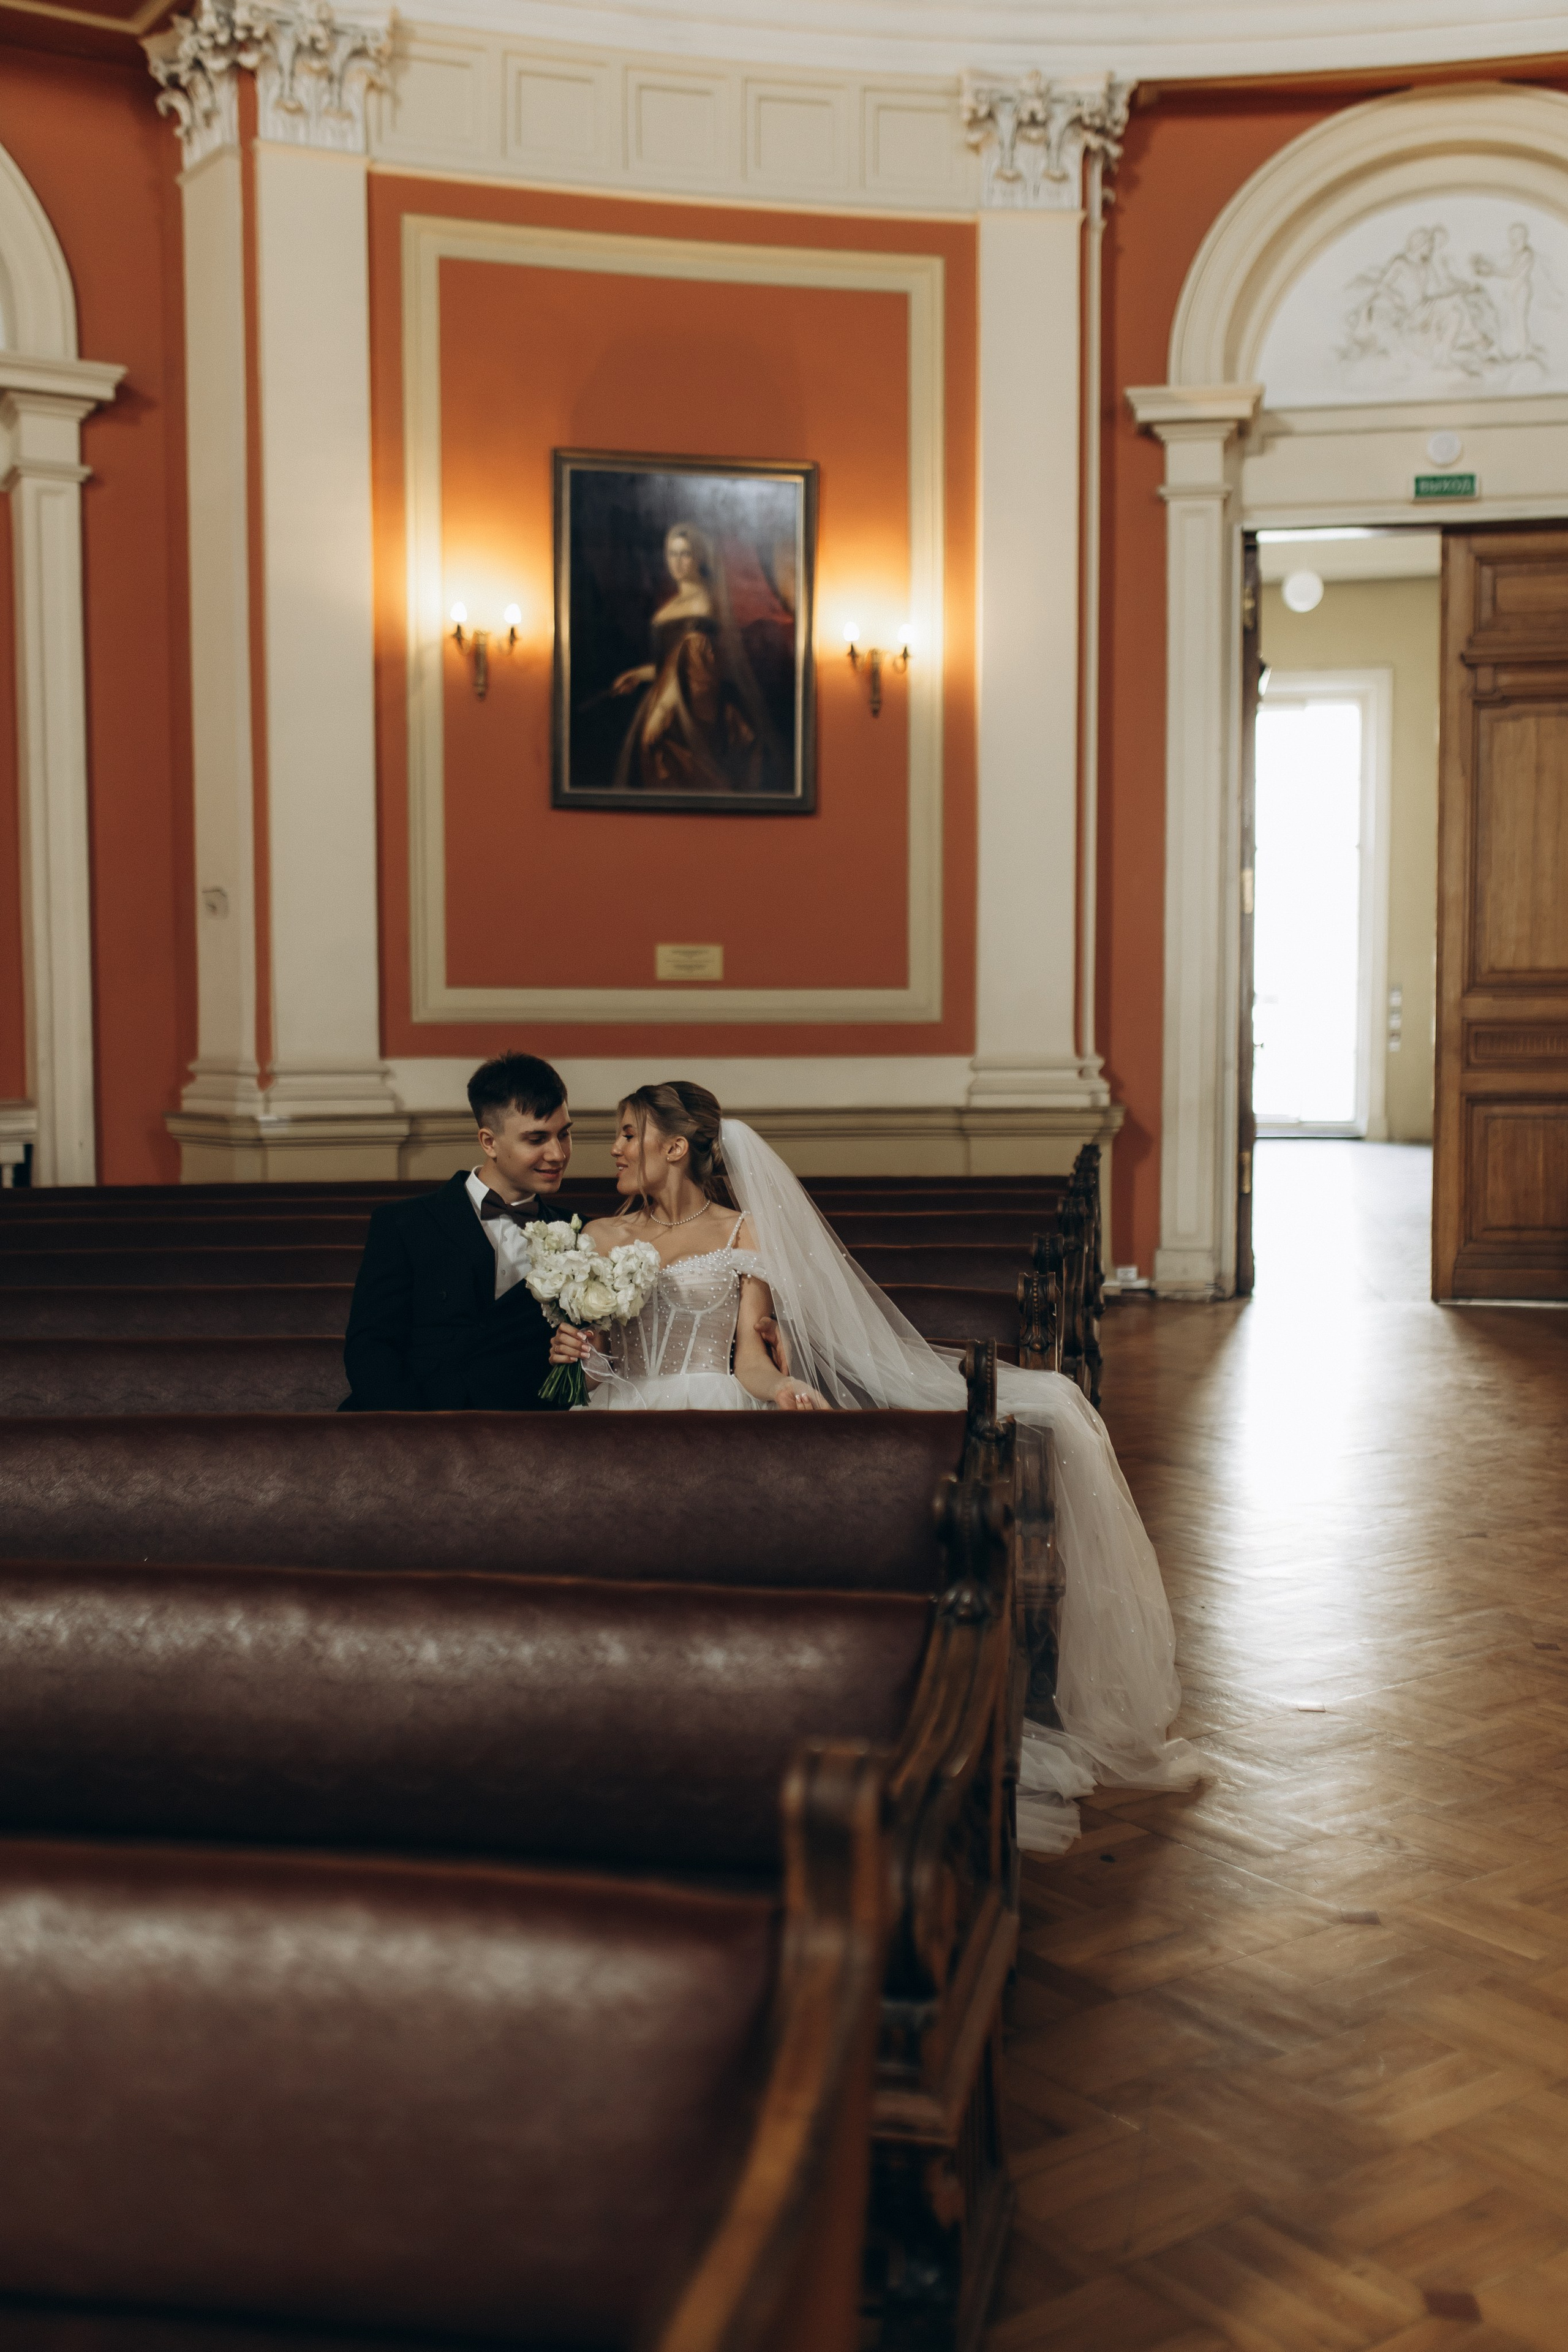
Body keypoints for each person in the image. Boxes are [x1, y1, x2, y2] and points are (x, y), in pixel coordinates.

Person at [550, 1080, 1202, 1852]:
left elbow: (751, 1362)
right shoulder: (592, 1238)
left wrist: (789, 1388)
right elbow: (584, 1360)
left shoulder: (741, 1234)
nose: (614, 1149)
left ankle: (733, 1753)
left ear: (675, 1146)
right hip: (616, 1424)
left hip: (715, 1419)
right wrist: (571, 1354)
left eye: (628, 1133)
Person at [339, 1053, 575, 1413]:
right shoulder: (404, 1224)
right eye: (537, 1138)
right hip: (413, 1426)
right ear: (489, 1142)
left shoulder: (581, 1233)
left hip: (528, 1434)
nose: (557, 1154)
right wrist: (420, 1437)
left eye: (564, 1134)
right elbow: (371, 1348)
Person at [609, 522, 783, 796]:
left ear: (699, 557)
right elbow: (669, 664)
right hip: (664, 698)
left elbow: (695, 668)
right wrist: (638, 675)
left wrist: (663, 711)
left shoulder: (703, 603)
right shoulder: (673, 605)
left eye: (685, 554)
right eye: (672, 554)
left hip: (691, 709)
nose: (677, 562)